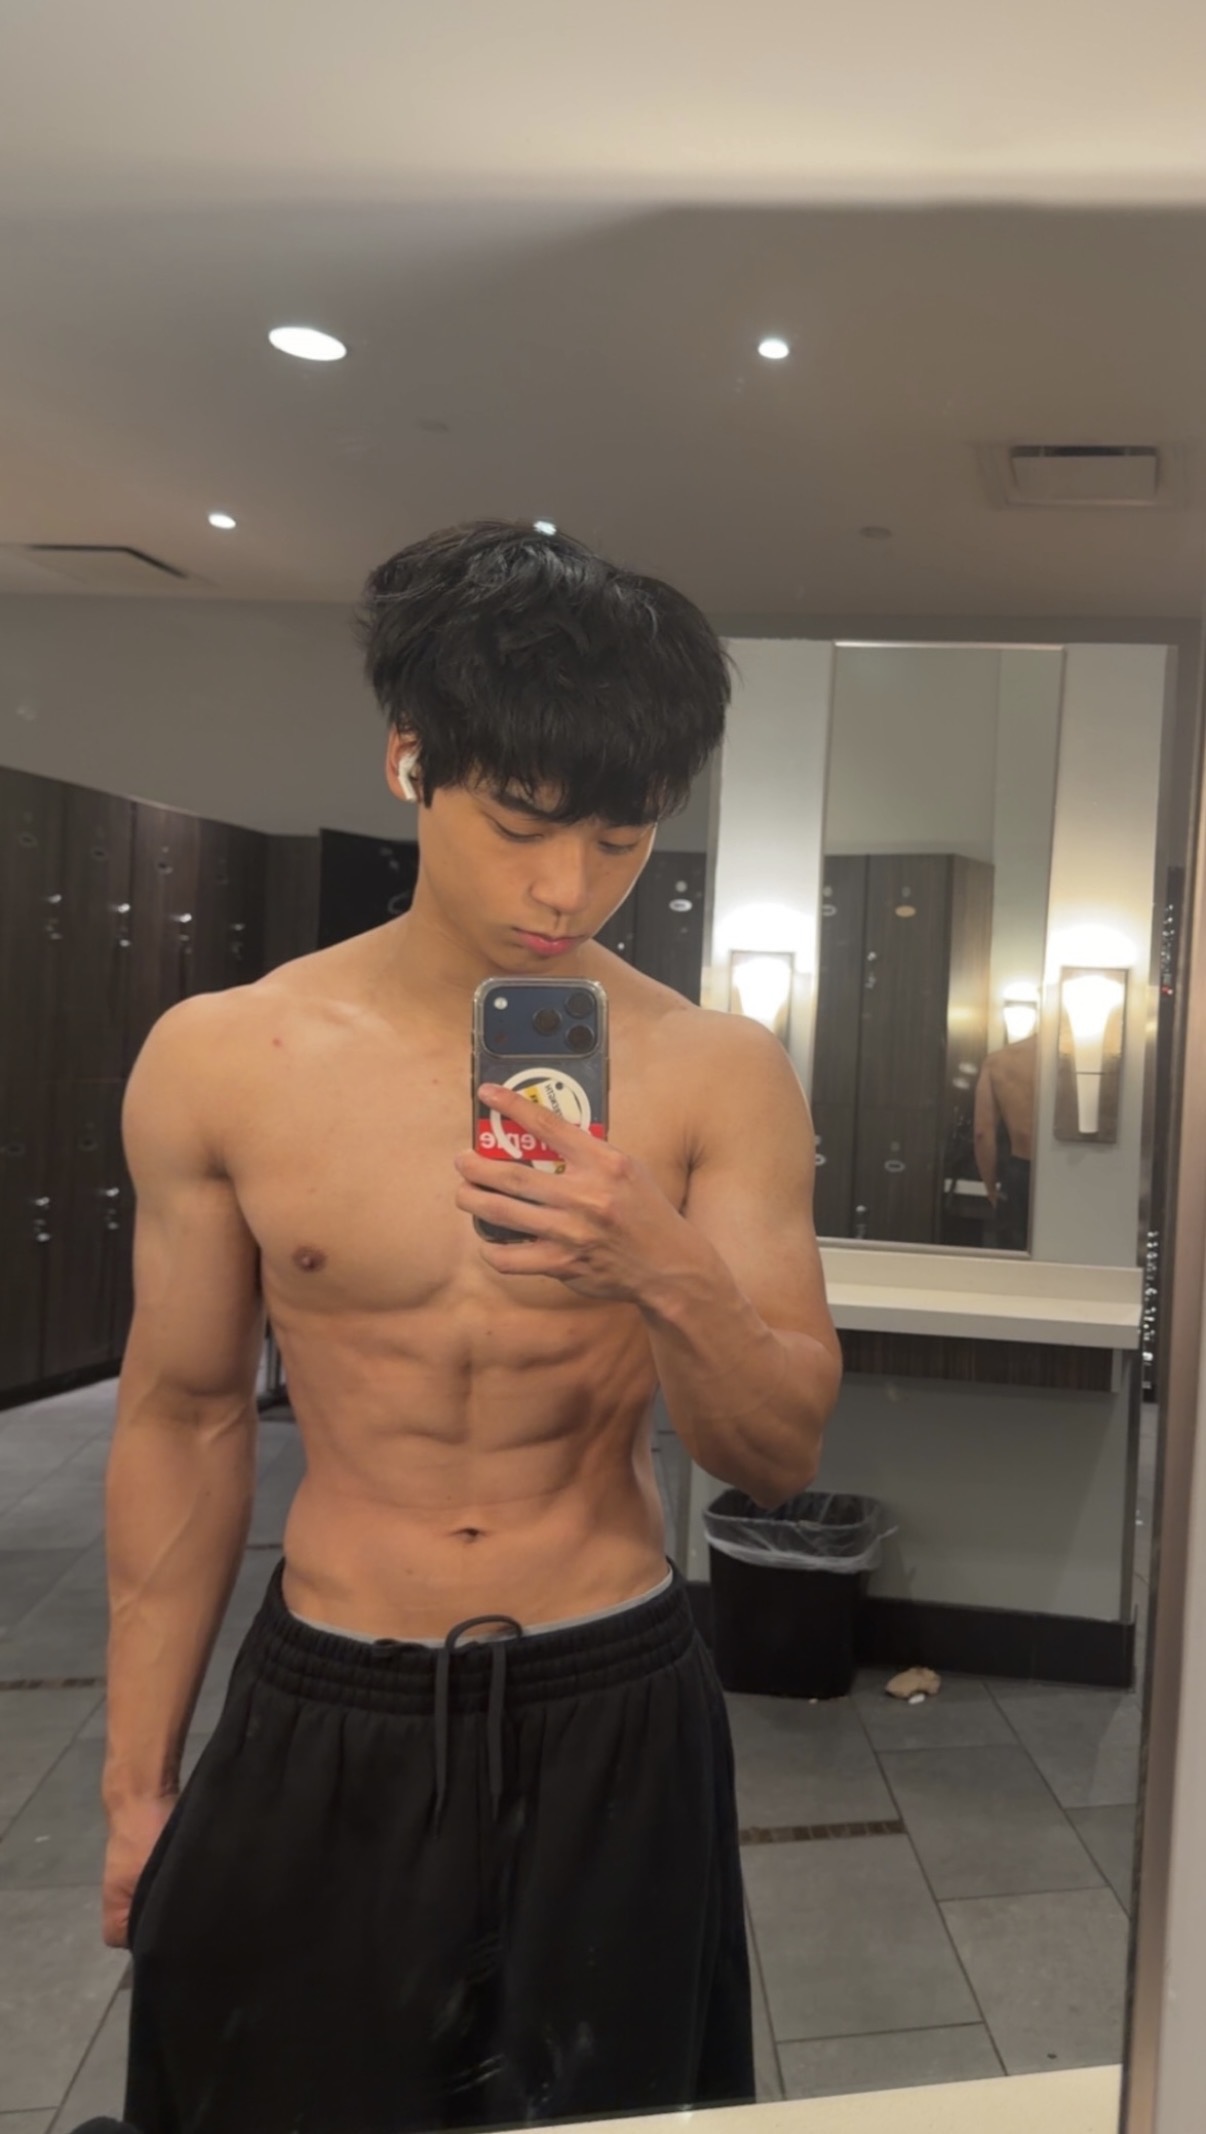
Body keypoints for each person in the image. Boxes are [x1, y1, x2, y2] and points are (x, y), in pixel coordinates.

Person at [101, 521, 843, 2134]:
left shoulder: (719, 1073)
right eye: (521, 824)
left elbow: (777, 1452)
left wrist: (661, 1263)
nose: (566, 888)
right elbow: (184, 1414)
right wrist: (138, 1779)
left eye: (621, 838)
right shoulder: (223, 1056)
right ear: (409, 758)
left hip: (612, 1695)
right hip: (332, 1690)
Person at [973, 1027, 1037, 1251]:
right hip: (1072, 1172)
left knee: (1015, 1258)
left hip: (1021, 1174)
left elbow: (982, 1132)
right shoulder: (1085, 1060)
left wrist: (991, 1188)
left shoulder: (1000, 1061)